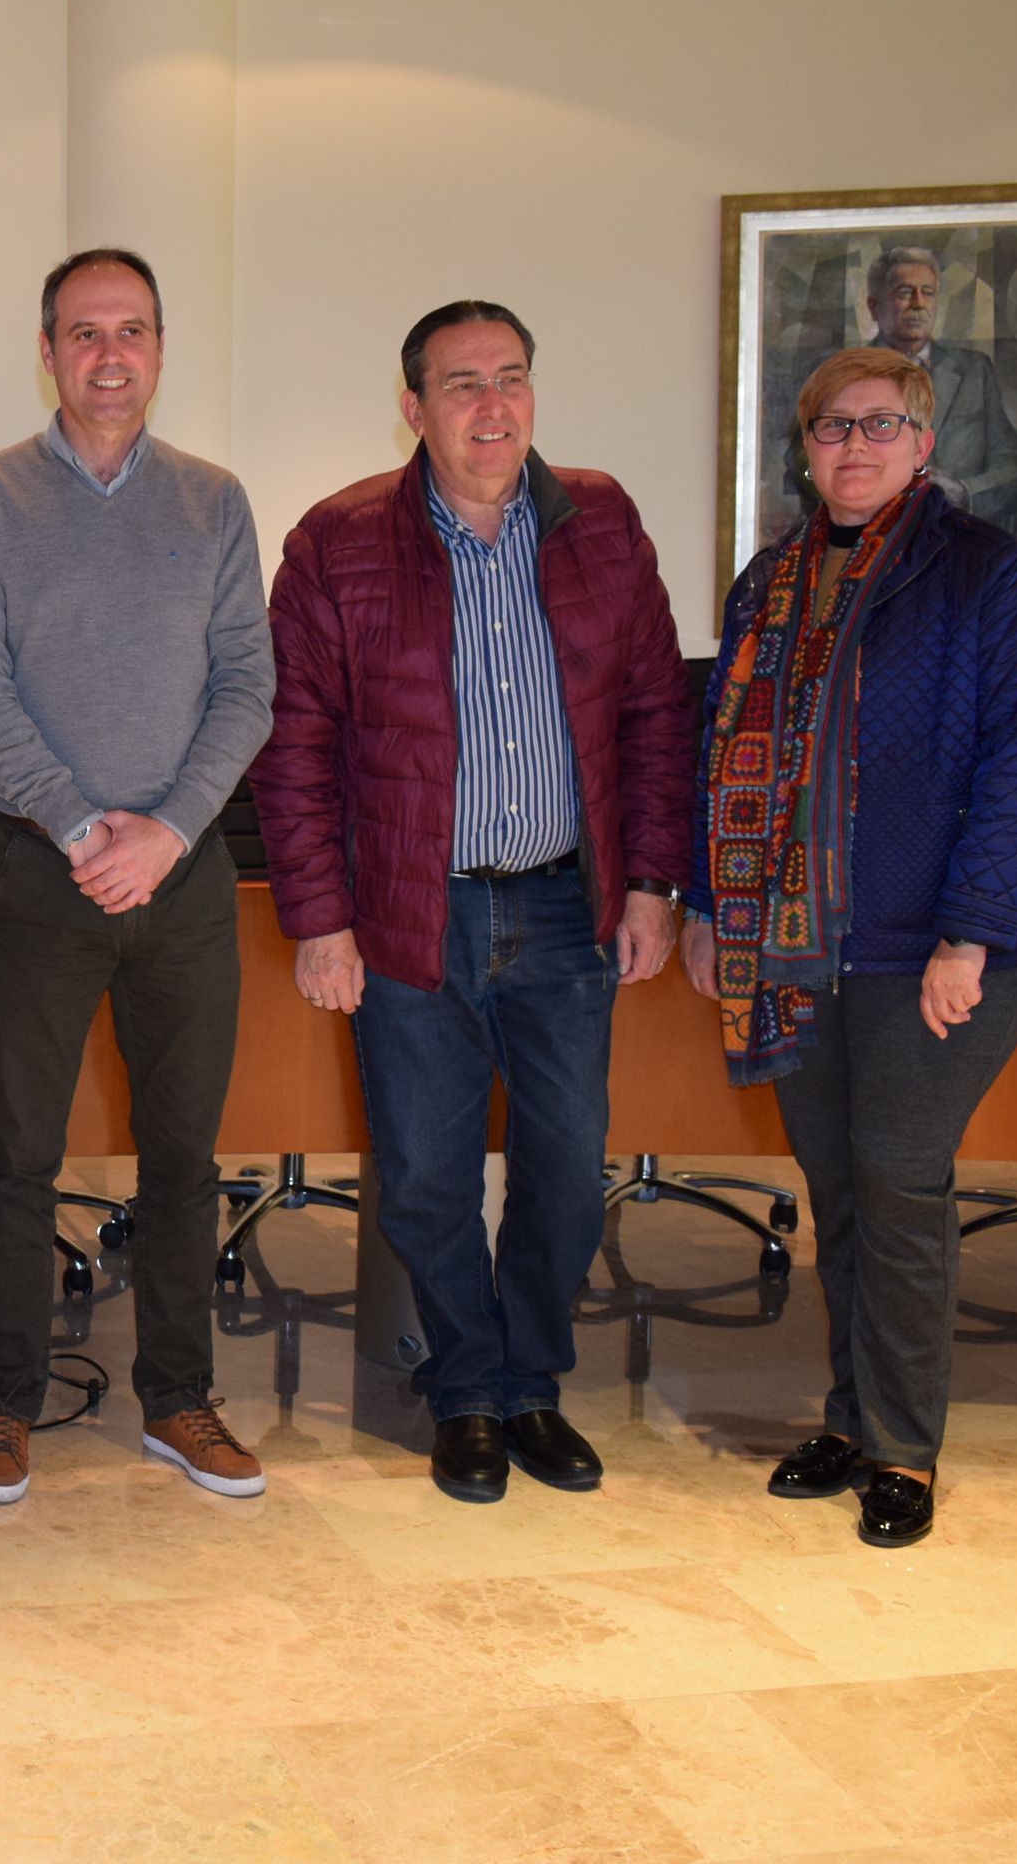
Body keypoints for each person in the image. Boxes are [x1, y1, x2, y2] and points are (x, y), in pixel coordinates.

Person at [253, 301, 689, 1506]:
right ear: (412, 407)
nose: (490, 407)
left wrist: (652, 879)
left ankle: (529, 1383)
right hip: (409, 916)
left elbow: (656, 713)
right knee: (428, 1175)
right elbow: (292, 748)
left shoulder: (599, 519)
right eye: (459, 385)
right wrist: (317, 916)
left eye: (509, 379)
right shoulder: (337, 541)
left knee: (563, 1163)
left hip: (565, 908)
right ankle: (463, 1388)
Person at [687, 347, 1017, 1549]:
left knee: (900, 1182)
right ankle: (853, 1418)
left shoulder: (989, 578)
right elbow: (724, 754)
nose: (853, 445)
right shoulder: (767, 583)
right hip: (802, 951)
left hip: (943, 950)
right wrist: (713, 902)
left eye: (880, 424)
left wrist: (970, 931)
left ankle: (904, 1446)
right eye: (829, 428)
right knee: (842, 1190)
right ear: (804, 451)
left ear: (922, 440)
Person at [0, 248, 275, 1507]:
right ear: (47, 351)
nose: (109, 354)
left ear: (160, 349)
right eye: (84, 332)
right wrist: (85, 828)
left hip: (184, 878)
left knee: (182, 1155)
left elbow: (248, 683)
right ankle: (2, 1405)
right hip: (41, 871)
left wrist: (167, 830)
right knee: (17, 1153)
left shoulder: (215, 501)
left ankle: (179, 1399)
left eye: (130, 330)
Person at [858, 246, 1017, 533]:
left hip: (958, 538)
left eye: (928, 292)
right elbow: (810, 469)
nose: (918, 303)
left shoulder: (974, 371)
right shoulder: (843, 375)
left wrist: (963, 493)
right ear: (874, 307)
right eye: (905, 292)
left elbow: (1016, 468)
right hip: (869, 540)